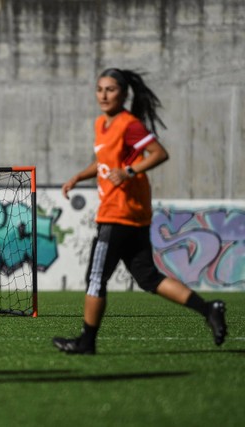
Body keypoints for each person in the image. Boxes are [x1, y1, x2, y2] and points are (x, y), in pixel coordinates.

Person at [53, 68, 228, 355]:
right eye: (99, 89)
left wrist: (130, 170)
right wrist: (78, 177)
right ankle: (209, 308)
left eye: (110, 89)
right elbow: (104, 162)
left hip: (117, 214)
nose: (104, 95)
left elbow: (159, 153)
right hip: (134, 215)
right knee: (148, 278)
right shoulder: (101, 124)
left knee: (95, 278)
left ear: (123, 93)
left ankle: (86, 342)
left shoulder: (128, 124)